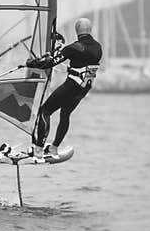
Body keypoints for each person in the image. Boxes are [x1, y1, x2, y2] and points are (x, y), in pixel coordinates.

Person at [25, 17, 102, 162]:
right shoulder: (98, 47)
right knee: (65, 114)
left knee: (45, 111)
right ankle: (54, 148)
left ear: (76, 31)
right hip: (83, 89)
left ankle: (39, 150)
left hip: (72, 86)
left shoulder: (74, 47)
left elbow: (49, 63)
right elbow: (83, 62)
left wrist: (31, 63)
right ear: (90, 30)